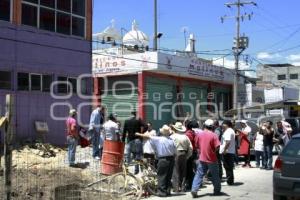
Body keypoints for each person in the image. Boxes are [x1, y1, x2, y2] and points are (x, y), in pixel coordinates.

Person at [136, 125, 176, 197]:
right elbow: (174, 150)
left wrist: (138, 134)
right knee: (168, 176)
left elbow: (148, 136)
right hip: (171, 159)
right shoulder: (171, 140)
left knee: (161, 176)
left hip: (163, 159)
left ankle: (162, 192)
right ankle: (167, 191)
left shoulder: (159, 139)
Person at [191, 119, 221, 198]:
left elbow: (196, 145)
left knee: (199, 174)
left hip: (202, 158)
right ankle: (217, 190)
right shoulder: (214, 135)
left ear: (204, 125)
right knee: (215, 175)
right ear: (212, 127)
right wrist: (213, 151)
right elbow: (217, 146)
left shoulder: (199, 135)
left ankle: (194, 189)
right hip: (212, 158)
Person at [170, 122, 193, 193]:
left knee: (175, 171)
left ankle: (176, 188)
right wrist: (188, 156)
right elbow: (190, 148)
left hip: (176, 153)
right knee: (183, 172)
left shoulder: (172, 136)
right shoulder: (185, 136)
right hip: (184, 153)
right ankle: (183, 188)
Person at [220, 120, 236, 185]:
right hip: (230, 151)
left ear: (226, 124)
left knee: (227, 167)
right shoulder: (231, 130)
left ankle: (229, 181)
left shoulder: (228, 131)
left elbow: (228, 141)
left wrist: (224, 150)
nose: (222, 125)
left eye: (223, 124)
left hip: (227, 152)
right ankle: (230, 180)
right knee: (229, 167)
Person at [185, 120, 199, 191]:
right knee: (192, 168)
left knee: (189, 169)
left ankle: (189, 184)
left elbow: (188, 145)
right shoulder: (193, 133)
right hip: (194, 151)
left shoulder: (188, 134)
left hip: (190, 152)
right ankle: (191, 183)